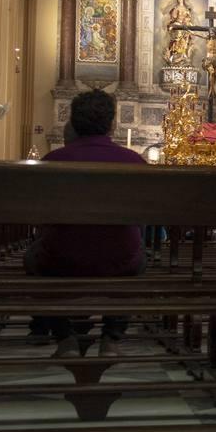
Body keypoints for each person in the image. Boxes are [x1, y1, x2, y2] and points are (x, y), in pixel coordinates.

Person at [26, 90, 146, 358]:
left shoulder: (51, 162)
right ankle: (112, 337)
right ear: (113, 124)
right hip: (121, 260)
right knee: (141, 259)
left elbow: (38, 219)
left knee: (32, 259)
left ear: (73, 121)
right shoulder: (134, 162)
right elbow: (142, 219)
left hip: (59, 260)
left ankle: (64, 336)